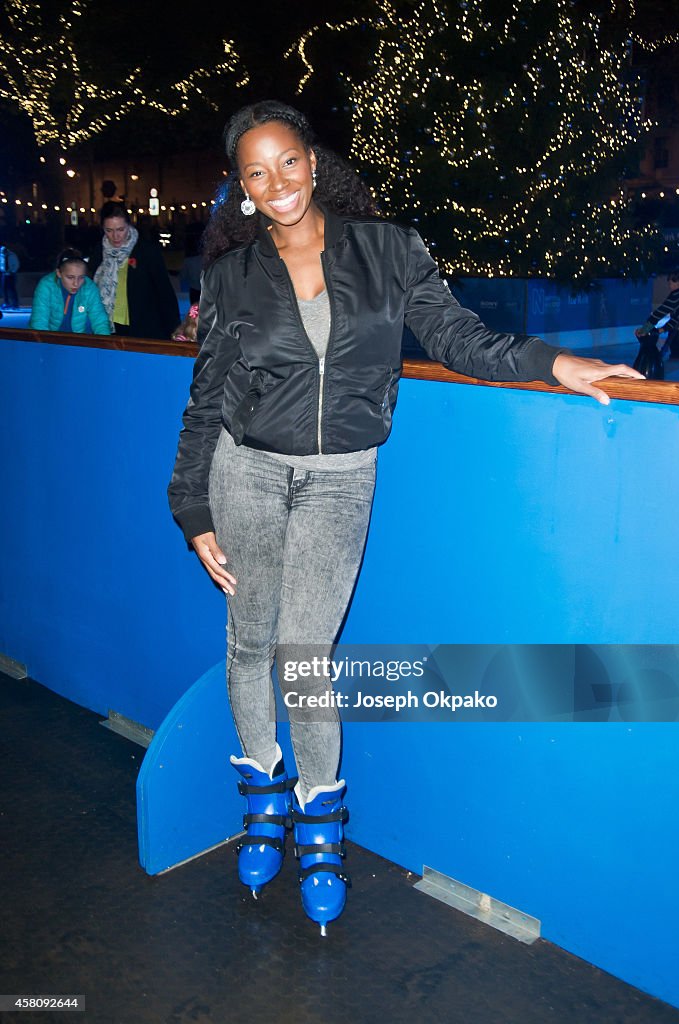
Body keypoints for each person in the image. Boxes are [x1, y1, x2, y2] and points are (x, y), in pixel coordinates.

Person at [167, 100, 643, 935]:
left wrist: (550, 361)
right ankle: (262, 804)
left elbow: (456, 336)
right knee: (249, 642)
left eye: (287, 162)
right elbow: (206, 397)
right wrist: (191, 502)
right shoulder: (234, 273)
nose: (275, 183)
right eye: (255, 171)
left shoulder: (388, 248)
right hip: (243, 473)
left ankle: (319, 825)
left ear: (313, 163)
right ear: (239, 187)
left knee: (304, 657)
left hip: (339, 480)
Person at [90, 202, 179, 339]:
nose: (115, 236)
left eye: (120, 229)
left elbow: (165, 294)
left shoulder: (147, 251)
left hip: (144, 331)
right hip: (106, 329)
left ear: (129, 225)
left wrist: (174, 331)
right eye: (109, 230)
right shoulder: (98, 252)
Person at [29, 249, 111, 335]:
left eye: (81, 277)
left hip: (76, 340)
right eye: (70, 277)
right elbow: (39, 322)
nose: (76, 283)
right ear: (59, 273)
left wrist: (105, 344)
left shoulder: (89, 288)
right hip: (49, 339)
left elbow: (100, 321)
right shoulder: (46, 286)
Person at [636, 267, 679, 357]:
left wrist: (645, 329)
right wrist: (662, 329)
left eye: (671, 283)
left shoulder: (676, 295)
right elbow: (677, 319)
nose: (669, 286)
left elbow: (658, 314)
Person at [0, 244, 20, 309]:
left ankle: (15, 304)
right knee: (4, 289)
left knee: (12, 289)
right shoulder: (1, 256)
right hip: (4, 274)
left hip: (11, 274)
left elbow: (16, 264)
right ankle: (6, 303)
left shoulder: (12, 255)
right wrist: (2, 270)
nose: (3, 253)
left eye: (4, 251)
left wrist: (12, 271)